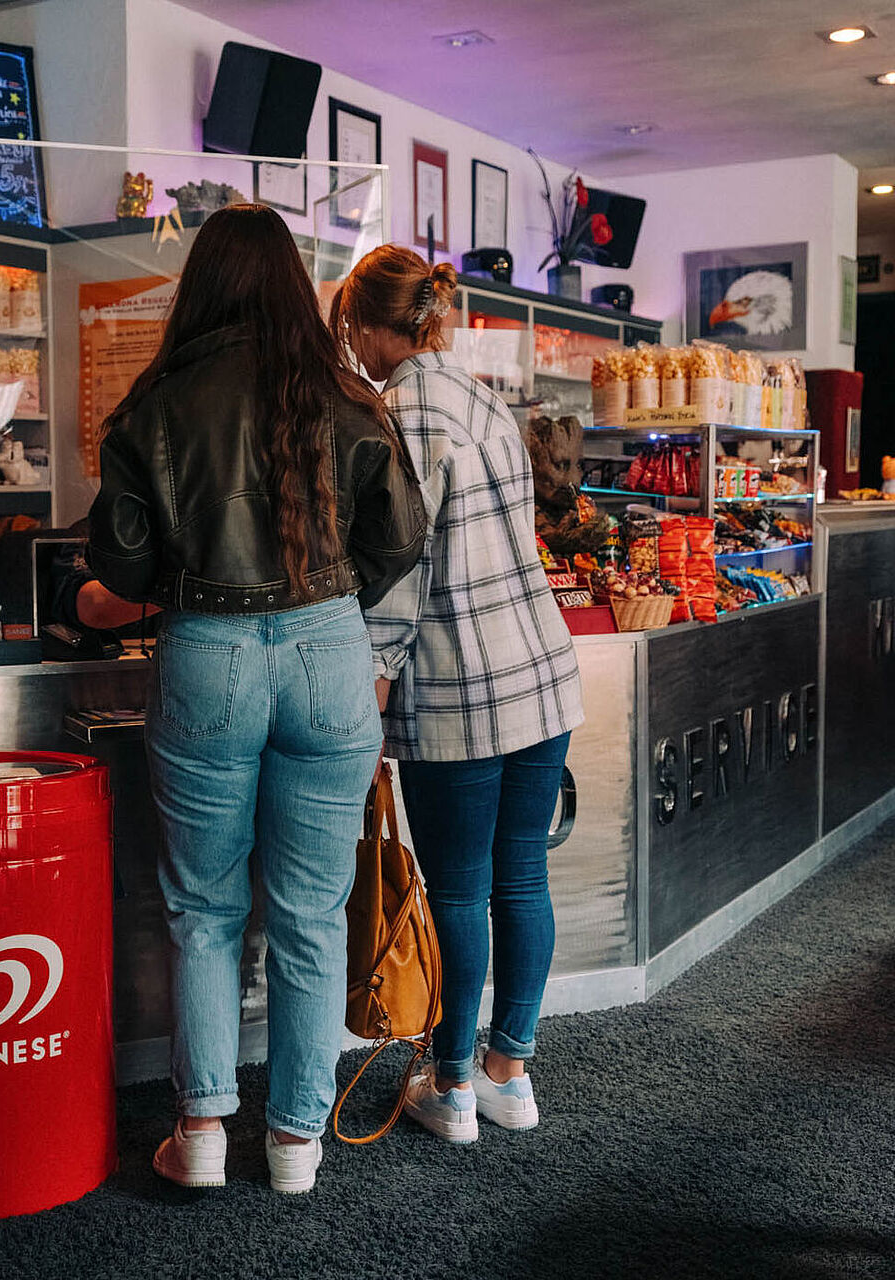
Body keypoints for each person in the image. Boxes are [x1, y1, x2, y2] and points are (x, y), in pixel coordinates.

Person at [86, 206, 426, 1192]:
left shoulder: (153, 403)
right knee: (311, 912)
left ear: (200, 284)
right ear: (292, 286)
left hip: (205, 652)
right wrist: (327, 592)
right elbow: (400, 534)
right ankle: (294, 1143)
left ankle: (196, 1130)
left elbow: (119, 559)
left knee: (201, 908)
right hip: (327, 650)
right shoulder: (348, 393)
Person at [331, 246, 584, 1144]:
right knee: (522, 875)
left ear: (365, 323)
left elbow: (398, 575)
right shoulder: (482, 396)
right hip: (541, 671)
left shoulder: (398, 410)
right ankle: (509, 1073)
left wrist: (366, 685)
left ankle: (451, 1088)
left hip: (459, 685)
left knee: (458, 890)